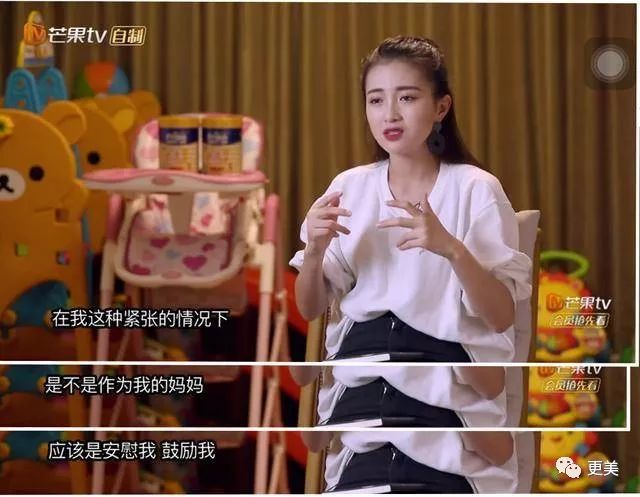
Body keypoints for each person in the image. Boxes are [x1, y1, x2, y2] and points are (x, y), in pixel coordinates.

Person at [289, 35, 532, 363]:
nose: (390, 114)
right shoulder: (348, 188)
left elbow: (501, 318)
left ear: (441, 108)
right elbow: (310, 309)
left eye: (406, 98)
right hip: (362, 371)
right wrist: (315, 251)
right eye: (376, 100)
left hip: (442, 373)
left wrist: (452, 249)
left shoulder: (476, 189)